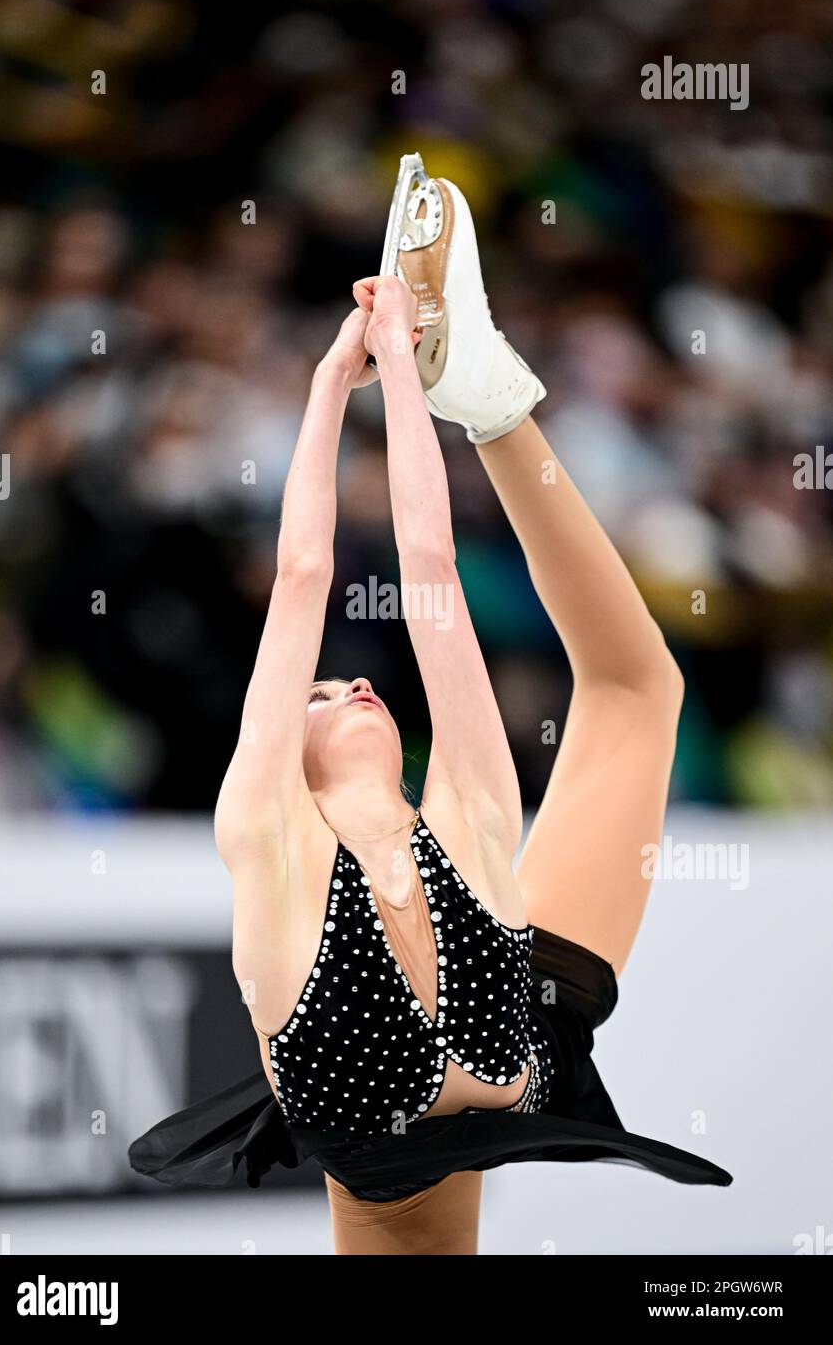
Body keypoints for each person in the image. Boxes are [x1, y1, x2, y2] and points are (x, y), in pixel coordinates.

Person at [129, 177, 731, 1255]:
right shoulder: (267, 844)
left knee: (637, 690)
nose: (348, 686)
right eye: (317, 696)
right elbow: (305, 570)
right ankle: (486, 396)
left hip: (485, 1014)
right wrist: (359, 377)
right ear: (287, 767)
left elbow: (426, 566)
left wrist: (393, 368)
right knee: (640, 698)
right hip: (508, 1053)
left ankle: (493, 401)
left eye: (345, 683)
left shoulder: (464, 815)